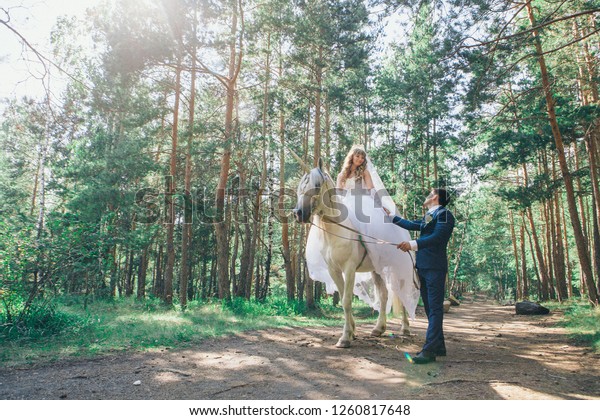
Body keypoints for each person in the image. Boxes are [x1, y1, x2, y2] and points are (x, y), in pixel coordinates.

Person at [305, 145, 420, 318]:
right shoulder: (342, 174)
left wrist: (381, 207)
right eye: (357, 156)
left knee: (370, 228)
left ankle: (376, 252)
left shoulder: (364, 172)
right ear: (352, 157)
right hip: (346, 204)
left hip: (364, 204)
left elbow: (372, 190)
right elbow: (338, 194)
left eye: (362, 158)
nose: (359, 160)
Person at [385, 188, 455, 364]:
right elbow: (413, 225)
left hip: (435, 267)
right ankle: (438, 346)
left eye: (429, 194)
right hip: (423, 266)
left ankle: (430, 350)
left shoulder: (446, 215)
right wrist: (391, 217)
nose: (426, 196)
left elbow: (438, 237)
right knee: (431, 309)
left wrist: (412, 244)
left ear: (435, 197)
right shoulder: (430, 215)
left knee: (435, 308)